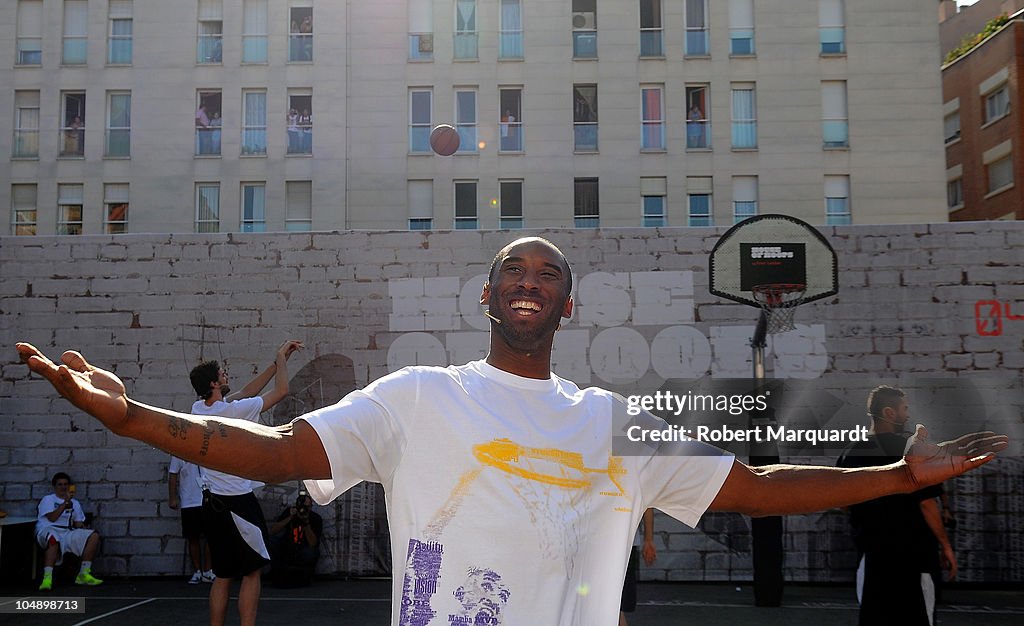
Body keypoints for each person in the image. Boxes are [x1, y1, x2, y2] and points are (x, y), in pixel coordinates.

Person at [15, 237, 1008, 626]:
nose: (530, 284)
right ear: (485, 294)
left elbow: (751, 482)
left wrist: (890, 476)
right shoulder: (415, 396)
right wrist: (129, 414)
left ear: (567, 308)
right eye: (514, 273)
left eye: (548, 277)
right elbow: (272, 452)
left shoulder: (610, 420)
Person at [189, 339, 303, 626]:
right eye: (222, 374)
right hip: (237, 502)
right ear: (215, 383)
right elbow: (281, 391)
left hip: (211, 503)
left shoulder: (198, 409)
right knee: (252, 572)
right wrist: (281, 359)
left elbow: (245, 392)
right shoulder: (232, 413)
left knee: (223, 574)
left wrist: (276, 363)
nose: (226, 376)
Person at [837, 386, 957, 626]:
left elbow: (844, 504)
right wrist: (946, 547)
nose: (908, 415)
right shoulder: (911, 449)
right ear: (889, 412)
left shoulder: (851, 452)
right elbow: (926, 505)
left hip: (872, 557)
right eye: (905, 409)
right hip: (914, 557)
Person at [35, 472, 103, 591]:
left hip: (66, 532)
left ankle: (84, 574)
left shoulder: (75, 503)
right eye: (60, 484)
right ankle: (47, 578)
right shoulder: (48, 499)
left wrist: (82, 527)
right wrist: (64, 504)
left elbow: (77, 522)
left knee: (93, 536)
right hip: (48, 529)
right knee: (53, 538)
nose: (63, 487)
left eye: (65, 484)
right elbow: (52, 518)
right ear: (55, 486)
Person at [168, 455, 214, 584]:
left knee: (211, 537)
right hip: (189, 501)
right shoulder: (179, 452)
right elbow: (173, 474)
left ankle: (208, 571)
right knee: (193, 537)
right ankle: (197, 571)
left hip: (208, 499)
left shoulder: (208, 449)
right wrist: (172, 497)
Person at [268, 490, 322, 587]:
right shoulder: (290, 513)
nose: (303, 510)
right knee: (271, 541)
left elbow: (313, 544)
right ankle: (276, 574)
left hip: (304, 548)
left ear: (311, 507)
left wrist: (306, 522)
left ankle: (305, 576)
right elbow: (273, 530)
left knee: (311, 552)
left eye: (307, 507)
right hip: (287, 546)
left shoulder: (315, 518)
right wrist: (290, 517)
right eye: (302, 507)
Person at [620, 508, 656, 626]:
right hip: (595, 541)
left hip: (624, 543)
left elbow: (648, 505)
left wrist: (649, 539)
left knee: (617, 605)